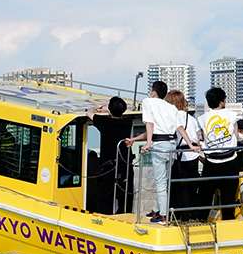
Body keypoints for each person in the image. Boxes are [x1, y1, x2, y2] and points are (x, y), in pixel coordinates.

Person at [132, 80, 181, 222]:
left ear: (153, 92)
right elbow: (177, 128)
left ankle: (164, 215)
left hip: (159, 144)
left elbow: (149, 123)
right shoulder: (171, 107)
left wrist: (148, 143)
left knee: (160, 182)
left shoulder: (148, 102)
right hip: (171, 145)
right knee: (165, 181)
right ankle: (162, 210)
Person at [196, 88, 242, 222]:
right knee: (228, 198)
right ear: (222, 101)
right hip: (230, 161)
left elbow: (202, 138)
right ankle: (229, 226)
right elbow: (237, 136)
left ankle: (201, 222)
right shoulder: (232, 115)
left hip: (211, 162)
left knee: (206, 196)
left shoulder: (202, 118)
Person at [87, 96, 135, 215]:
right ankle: (125, 214)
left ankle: (105, 216)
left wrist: (98, 108)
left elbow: (89, 113)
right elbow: (119, 114)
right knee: (124, 194)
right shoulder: (127, 123)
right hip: (124, 164)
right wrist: (109, 110)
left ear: (109, 108)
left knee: (105, 195)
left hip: (108, 166)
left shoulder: (105, 122)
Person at [168, 89, 206, 221]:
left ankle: (178, 215)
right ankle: (191, 214)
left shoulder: (172, 116)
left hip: (179, 154)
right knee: (191, 186)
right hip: (193, 154)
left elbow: (176, 131)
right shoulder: (191, 118)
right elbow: (199, 135)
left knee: (177, 186)